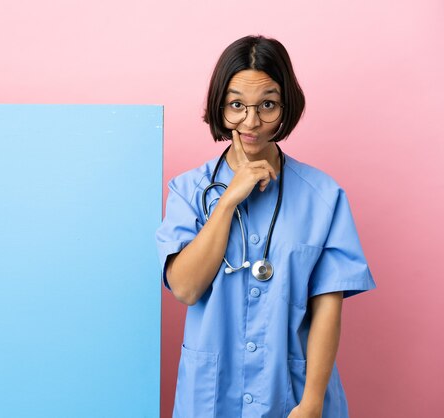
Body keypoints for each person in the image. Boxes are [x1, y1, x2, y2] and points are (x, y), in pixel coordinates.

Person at [155, 35, 376, 418]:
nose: (251, 122)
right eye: (237, 105)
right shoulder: (190, 190)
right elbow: (186, 289)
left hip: (293, 394)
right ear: (220, 107)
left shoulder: (323, 196)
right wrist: (227, 203)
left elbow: (327, 307)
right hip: (212, 394)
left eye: (267, 105)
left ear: (285, 106)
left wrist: (311, 403)